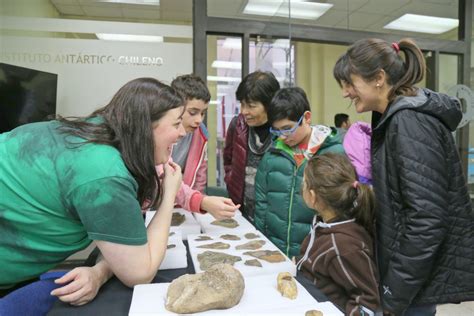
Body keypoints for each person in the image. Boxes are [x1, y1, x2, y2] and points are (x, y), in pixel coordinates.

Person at [0, 78, 184, 297]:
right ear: (146, 126)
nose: (182, 132)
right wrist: (169, 193)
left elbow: (118, 240)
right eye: (176, 123)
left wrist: (100, 271)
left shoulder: (91, 135)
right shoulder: (104, 173)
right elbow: (139, 273)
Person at [333, 38, 474, 315]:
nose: (346, 93)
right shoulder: (392, 116)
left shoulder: (409, 122)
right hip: (409, 278)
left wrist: (393, 293)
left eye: (350, 83)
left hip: (410, 286)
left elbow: (427, 219)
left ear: (378, 79)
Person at [254, 87, 345, 258]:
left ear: (307, 118)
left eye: (287, 128)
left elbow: (341, 210)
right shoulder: (272, 155)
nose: (282, 136)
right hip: (275, 251)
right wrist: (260, 241)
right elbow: (261, 202)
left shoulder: (334, 154)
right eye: (276, 130)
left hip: (315, 253)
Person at [297, 153, 380, 315]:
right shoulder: (326, 224)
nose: (302, 187)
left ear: (313, 197)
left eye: (304, 183)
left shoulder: (343, 246)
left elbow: (366, 302)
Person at [170, 74, 238, 218]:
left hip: (184, 206)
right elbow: (160, 177)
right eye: (193, 112)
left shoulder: (201, 134)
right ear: (174, 105)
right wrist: (201, 201)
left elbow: (200, 175)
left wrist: (197, 206)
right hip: (152, 207)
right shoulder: (158, 133)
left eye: (203, 113)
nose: (198, 120)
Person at [224, 70, 280, 220]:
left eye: (251, 106)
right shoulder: (237, 126)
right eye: (242, 104)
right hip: (242, 210)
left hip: (274, 215)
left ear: (270, 104)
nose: (244, 111)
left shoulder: (284, 131)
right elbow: (228, 161)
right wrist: (231, 181)